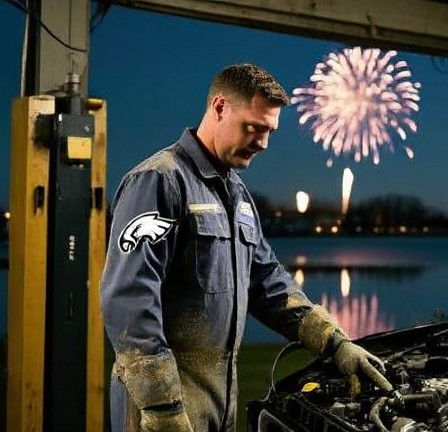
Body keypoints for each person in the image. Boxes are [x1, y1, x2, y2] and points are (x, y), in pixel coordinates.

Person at [100, 63, 393, 432]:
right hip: (160, 410)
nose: (264, 143)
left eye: (270, 131)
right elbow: (129, 299)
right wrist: (162, 407)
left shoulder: (237, 195)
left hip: (219, 402)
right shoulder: (159, 181)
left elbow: (267, 280)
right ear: (220, 107)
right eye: (254, 127)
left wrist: (334, 343)